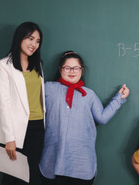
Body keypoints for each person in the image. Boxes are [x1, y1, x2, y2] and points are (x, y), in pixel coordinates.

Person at [39, 51, 129, 185]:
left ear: (82, 70)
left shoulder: (89, 95)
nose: (72, 71)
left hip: (81, 163)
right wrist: (3, 115)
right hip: (53, 159)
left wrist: (119, 98)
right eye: (67, 67)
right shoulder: (48, 88)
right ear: (60, 69)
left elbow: (102, 118)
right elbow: (30, 107)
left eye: (76, 68)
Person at [0, 21, 45, 185]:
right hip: (15, 130)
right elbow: (4, 103)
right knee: (13, 178)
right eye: (30, 38)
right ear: (20, 38)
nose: (34, 44)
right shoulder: (3, 66)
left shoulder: (38, 65)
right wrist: (9, 138)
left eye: (37, 41)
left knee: (32, 176)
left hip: (38, 127)